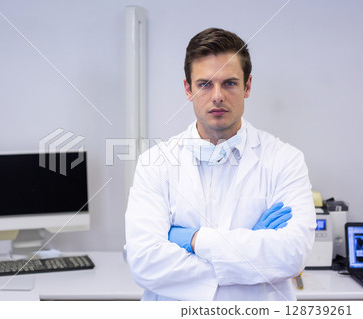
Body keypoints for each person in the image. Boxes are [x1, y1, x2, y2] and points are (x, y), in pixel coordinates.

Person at [125, 28, 316, 301]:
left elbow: (291, 257)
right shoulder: (154, 163)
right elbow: (145, 263)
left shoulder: (285, 160)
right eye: (204, 84)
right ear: (188, 89)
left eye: (229, 83)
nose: (217, 96)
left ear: (247, 86)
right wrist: (250, 248)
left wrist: (193, 240)